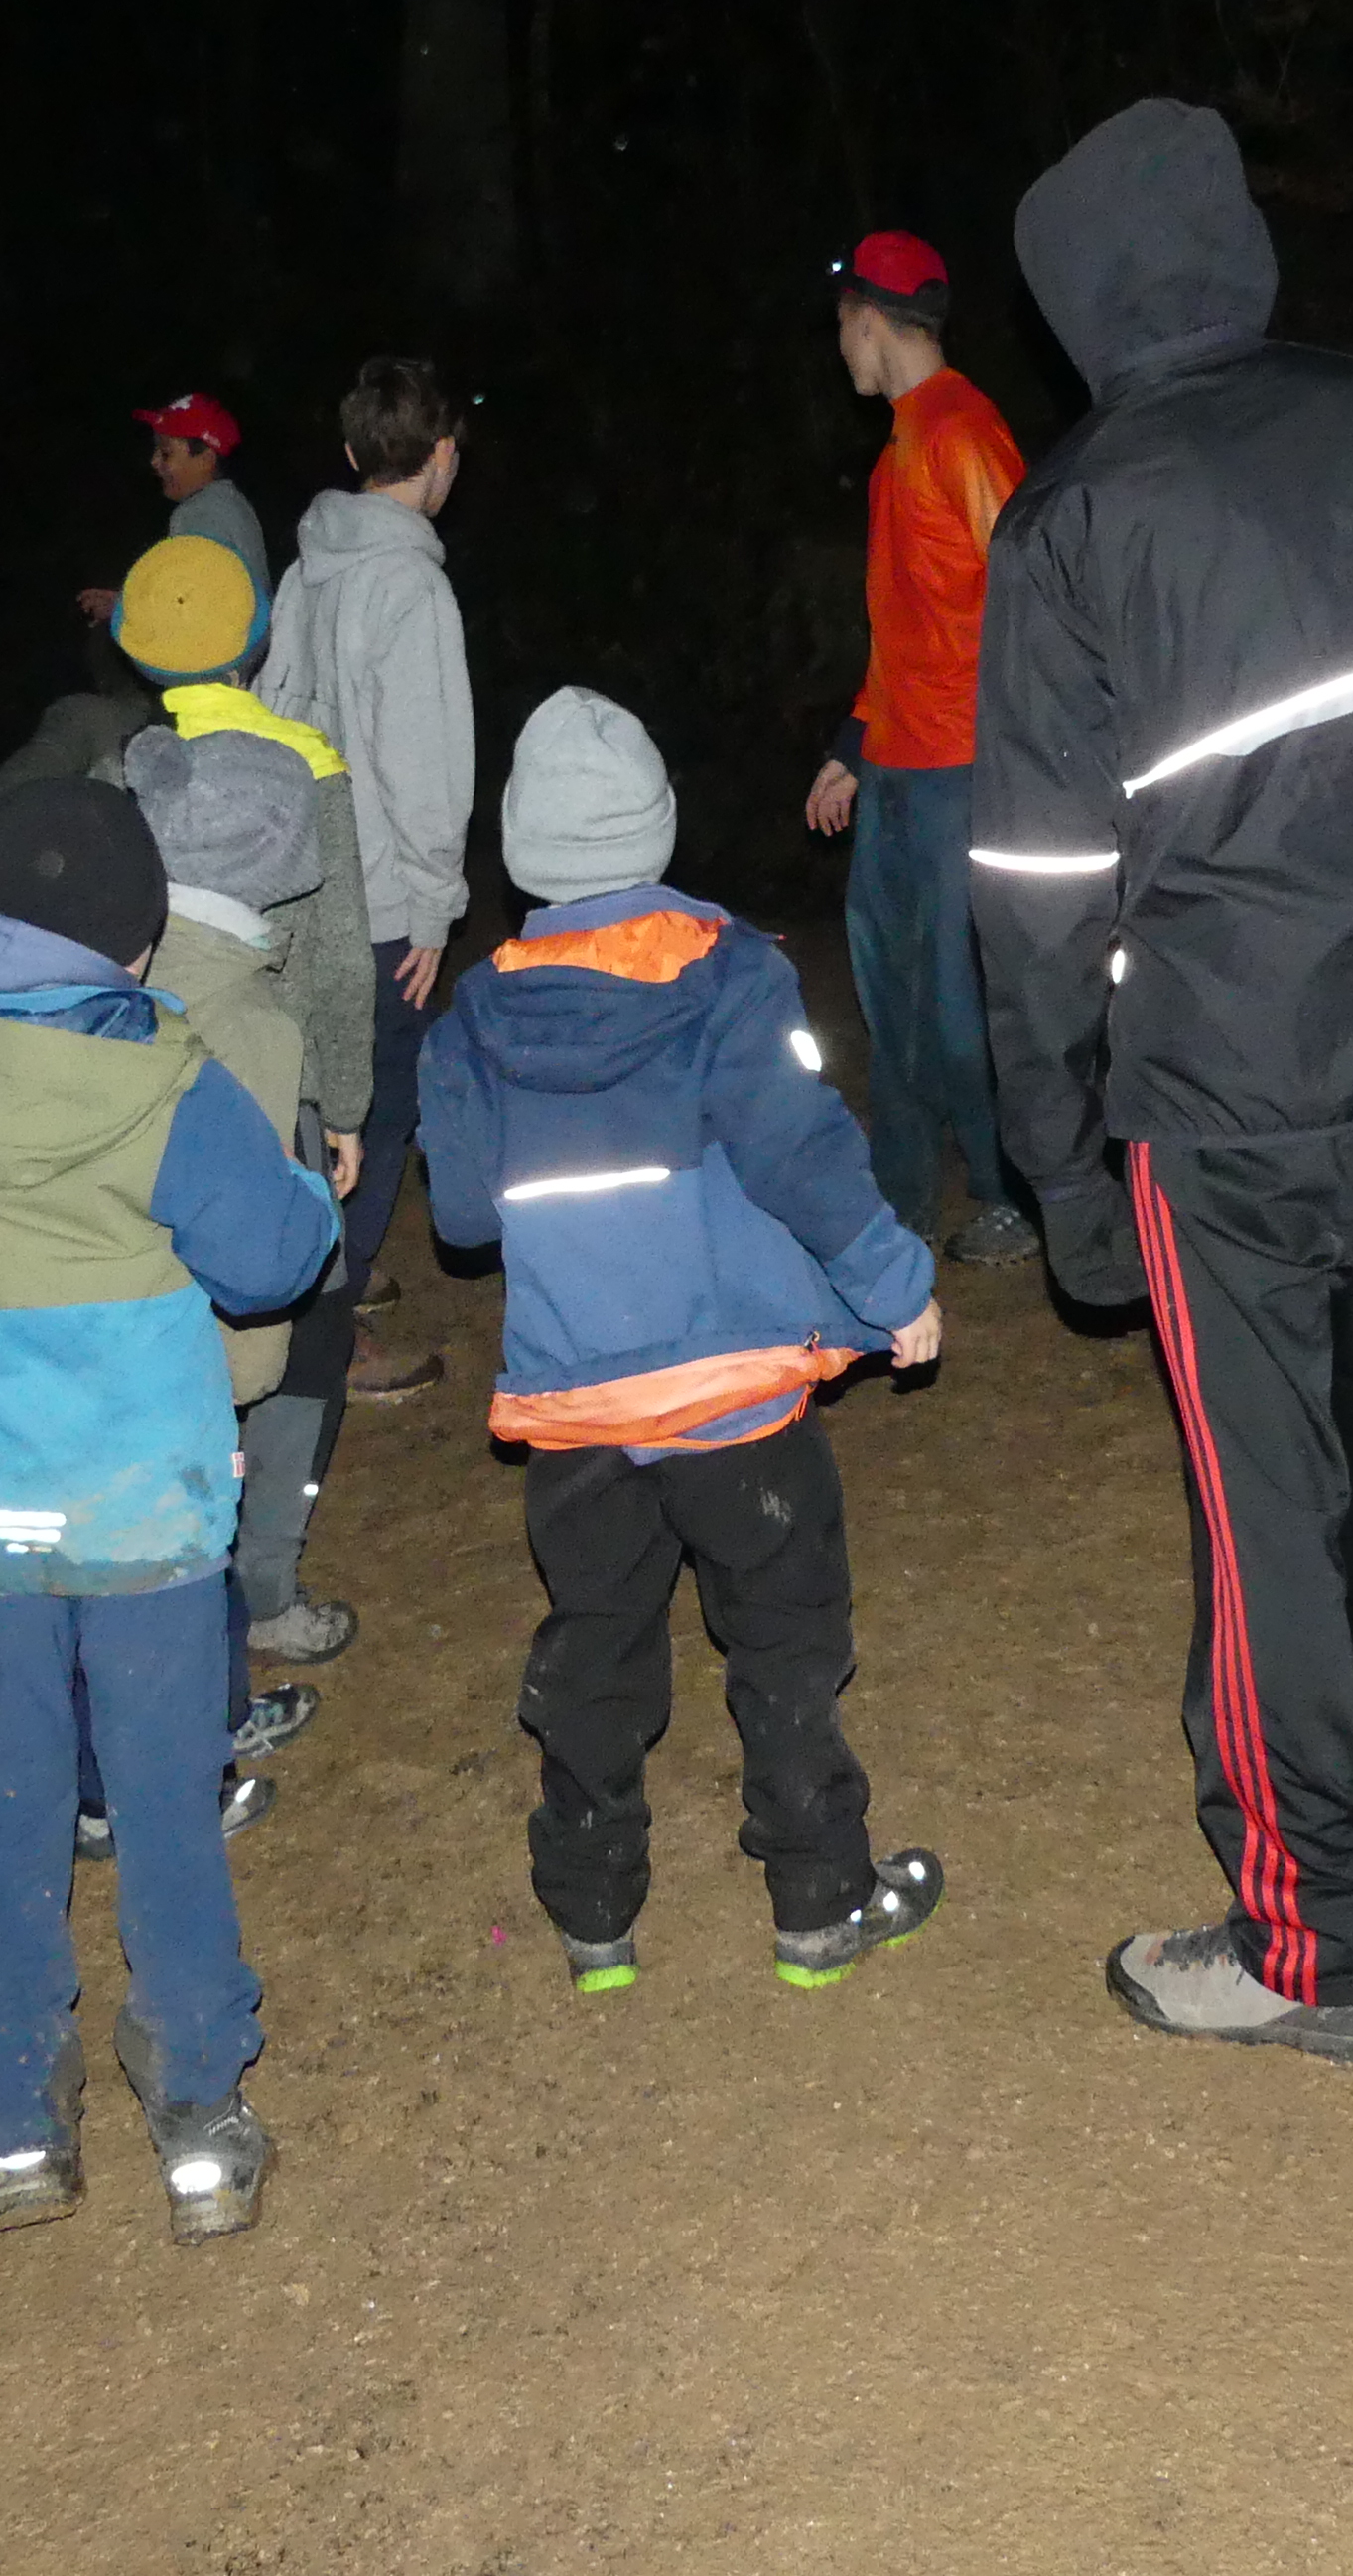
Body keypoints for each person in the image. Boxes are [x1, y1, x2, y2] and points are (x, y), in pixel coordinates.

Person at [968, 98, 1353, 2069]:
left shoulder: (1073, 516)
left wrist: (1061, 1166)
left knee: (1263, 1507)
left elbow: (1037, 894)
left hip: (1227, 1098)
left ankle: (1315, 1950)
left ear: (1073, 298)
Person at [0, 776, 339, 2243]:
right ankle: (199, 2113)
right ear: (134, 940)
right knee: (164, 1804)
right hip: (142, 1516)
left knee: (12, 1803)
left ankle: (19, 2123)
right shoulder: (164, 1075)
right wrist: (315, 1188)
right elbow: (269, 1261)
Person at [420, 688, 949, 1995]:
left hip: (579, 1408)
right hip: (733, 1399)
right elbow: (800, 1149)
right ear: (655, 826)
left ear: (521, 844)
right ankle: (819, 1902)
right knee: (785, 1644)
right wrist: (895, 1286)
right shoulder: (727, 970)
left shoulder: (476, 1013)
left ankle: (593, 1916)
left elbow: (464, 1215)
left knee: (596, 1651)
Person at [0, 540, 390, 1666]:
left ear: (134, 646)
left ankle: (175, 1568)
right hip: (269, 1083)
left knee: (171, 1321)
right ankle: (263, 1584)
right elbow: (337, 957)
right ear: (259, 639)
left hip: (137, 1086)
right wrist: (344, 1103)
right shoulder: (307, 764)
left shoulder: (127, 769)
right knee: (301, 1326)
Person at [54, 728, 349, 1869]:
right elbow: (249, 1237)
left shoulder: (112, 965)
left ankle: (209, 1721)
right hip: (178, 1355)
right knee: (160, 1580)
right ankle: (136, 1789)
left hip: (88, 1322)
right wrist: (242, 1379)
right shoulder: (248, 1021)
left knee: (156, 1569)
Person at [801, 229, 1037, 1266]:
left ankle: (1005, 1189)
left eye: (841, 326)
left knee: (956, 1000)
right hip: (898, 765)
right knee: (891, 994)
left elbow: (1034, 597)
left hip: (964, 768)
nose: (839, 348)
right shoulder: (898, 451)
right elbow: (902, 627)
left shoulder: (961, 433)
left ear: (869, 321)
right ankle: (899, 1195)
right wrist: (852, 744)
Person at [261, 356, 474, 1405]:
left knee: (311, 1100)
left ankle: (321, 1281)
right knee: (380, 1106)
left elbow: (272, 715)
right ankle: (329, 1326)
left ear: (352, 454)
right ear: (443, 455)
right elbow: (421, 764)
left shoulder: (305, 569)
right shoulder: (411, 586)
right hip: (382, 899)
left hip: (299, 887)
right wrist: (433, 902)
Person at [74, 390, 275, 629]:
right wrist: (121, 603)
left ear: (205, 460)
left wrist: (124, 611)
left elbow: (190, 608)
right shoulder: (231, 504)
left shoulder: (199, 514)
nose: (154, 461)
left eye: (166, 452)